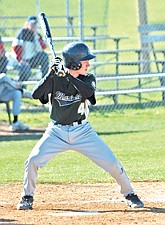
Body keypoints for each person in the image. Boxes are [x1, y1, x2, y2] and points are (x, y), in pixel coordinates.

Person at [17, 42, 144, 210]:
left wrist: (68, 76)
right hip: (56, 132)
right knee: (33, 160)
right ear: (75, 63)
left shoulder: (88, 78)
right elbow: (36, 94)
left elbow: (88, 93)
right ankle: (27, 196)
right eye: (85, 61)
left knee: (112, 163)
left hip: (83, 131)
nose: (89, 64)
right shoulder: (55, 78)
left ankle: (130, 194)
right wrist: (51, 73)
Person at [10, 15, 49, 81]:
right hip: (20, 60)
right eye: (32, 24)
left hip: (31, 59)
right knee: (25, 68)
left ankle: (45, 80)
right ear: (27, 24)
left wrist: (36, 36)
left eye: (35, 24)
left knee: (44, 56)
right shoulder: (22, 33)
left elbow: (43, 47)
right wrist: (21, 60)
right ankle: (22, 87)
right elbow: (16, 48)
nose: (33, 26)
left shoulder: (37, 35)